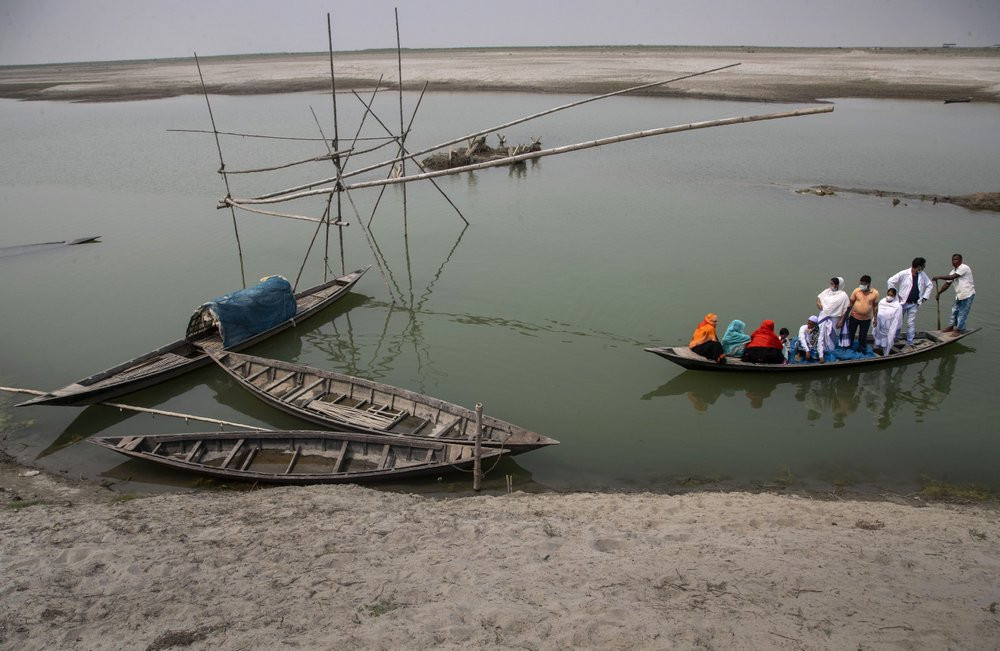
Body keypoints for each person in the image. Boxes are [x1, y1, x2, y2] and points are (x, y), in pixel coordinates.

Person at [886, 257, 932, 347]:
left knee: (911, 323)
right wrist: (895, 295)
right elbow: (890, 281)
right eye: (923, 266)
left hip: (914, 304)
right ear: (918, 266)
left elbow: (929, 285)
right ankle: (895, 338)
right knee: (898, 322)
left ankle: (910, 342)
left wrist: (924, 298)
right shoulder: (904, 273)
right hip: (902, 303)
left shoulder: (922, 275)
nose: (924, 268)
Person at [933, 253, 975, 333]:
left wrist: (938, 277)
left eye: (956, 259)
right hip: (959, 295)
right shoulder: (953, 271)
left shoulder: (964, 267)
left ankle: (959, 329)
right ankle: (951, 327)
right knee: (954, 311)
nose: (954, 261)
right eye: (953, 260)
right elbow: (947, 283)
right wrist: (939, 293)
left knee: (962, 312)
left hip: (967, 294)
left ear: (960, 261)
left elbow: (952, 277)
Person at [839, 274, 880, 352]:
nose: (861, 285)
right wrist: (844, 318)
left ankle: (862, 349)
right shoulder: (857, 290)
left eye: (863, 284)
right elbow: (850, 304)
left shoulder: (875, 293)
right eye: (860, 283)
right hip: (854, 317)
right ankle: (848, 347)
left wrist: (875, 318)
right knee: (851, 333)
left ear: (868, 284)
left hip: (866, 319)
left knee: (863, 336)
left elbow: (875, 306)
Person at [816, 276, 850, 355]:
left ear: (837, 285)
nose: (830, 285)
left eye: (832, 284)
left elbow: (846, 308)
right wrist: (818, 303)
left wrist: (841, 321)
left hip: (834, 319)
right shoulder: (827, 291)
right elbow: (819, 297)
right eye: (830, 283)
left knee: (831, 335)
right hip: (823, 316)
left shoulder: (843, 295)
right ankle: (821, 349)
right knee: (821, 334)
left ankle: (830, 350)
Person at [873, 288, 903, 356]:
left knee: (887, 340)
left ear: (894, 296)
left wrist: (892, 330)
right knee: (877, 337)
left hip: (889, 327)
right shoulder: (882, 301)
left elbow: (897, 319)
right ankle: (876, 349)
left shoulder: (897, 306)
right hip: (879, 324)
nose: (889, 296)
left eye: (891, 295)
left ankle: (885, 354)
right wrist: (875, 320)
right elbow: (877, 311)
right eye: (888, 294)